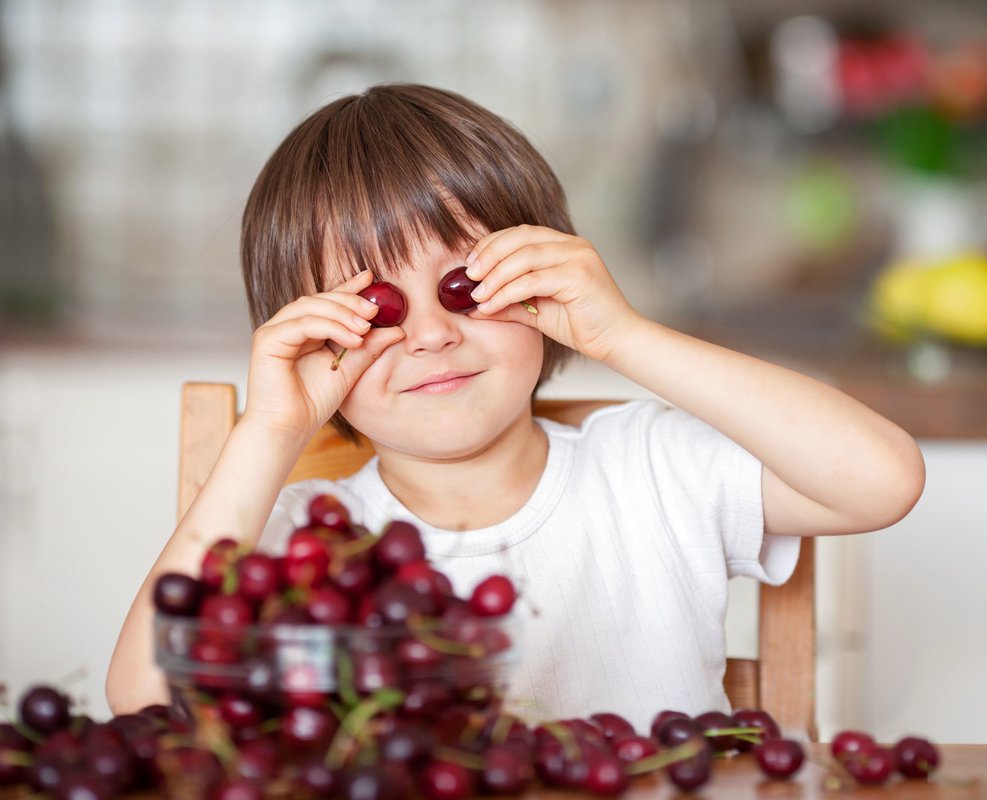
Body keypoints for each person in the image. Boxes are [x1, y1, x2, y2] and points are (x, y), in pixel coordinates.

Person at [107, 84, 925, 729]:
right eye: (379, 311)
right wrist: (274, 429)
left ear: (541, 281)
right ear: (317, 342)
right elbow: (145, 701)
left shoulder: (652, 467)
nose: (430, 336)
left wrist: (626, 336)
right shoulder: (303, 542)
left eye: (466, 287)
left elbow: (883, 480)